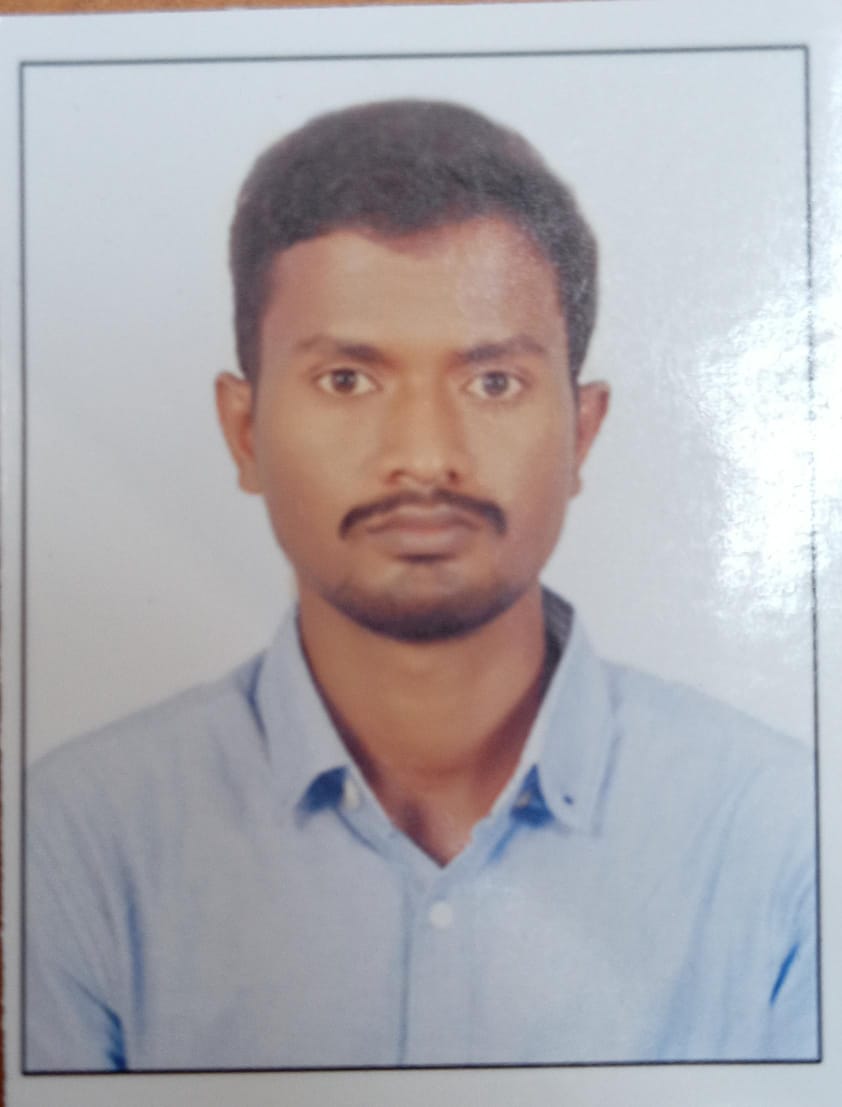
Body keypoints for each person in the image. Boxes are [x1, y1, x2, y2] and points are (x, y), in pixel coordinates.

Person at [25, 100, 818, 1072]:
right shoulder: (74, 841)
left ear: (581, 432)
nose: (424, 457)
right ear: (243, 430)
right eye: (347, 380)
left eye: (492, 383)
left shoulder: (784, 833)